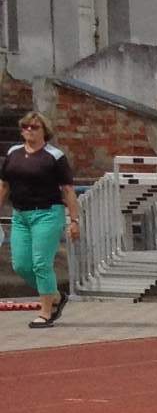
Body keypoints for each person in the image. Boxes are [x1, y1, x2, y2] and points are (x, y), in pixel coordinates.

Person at [3, 112, 81, 327]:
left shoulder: (54, 156)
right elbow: (4, 186)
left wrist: (74, 220)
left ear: (44, 131)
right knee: (21, 265)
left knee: (41, 263)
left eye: (34, 127)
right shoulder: (13, 153)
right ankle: (55, 296)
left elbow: (68, 190)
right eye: (25, 126)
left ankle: (46, 312)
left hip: (47, 213)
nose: (29, 130)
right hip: (20, 215)